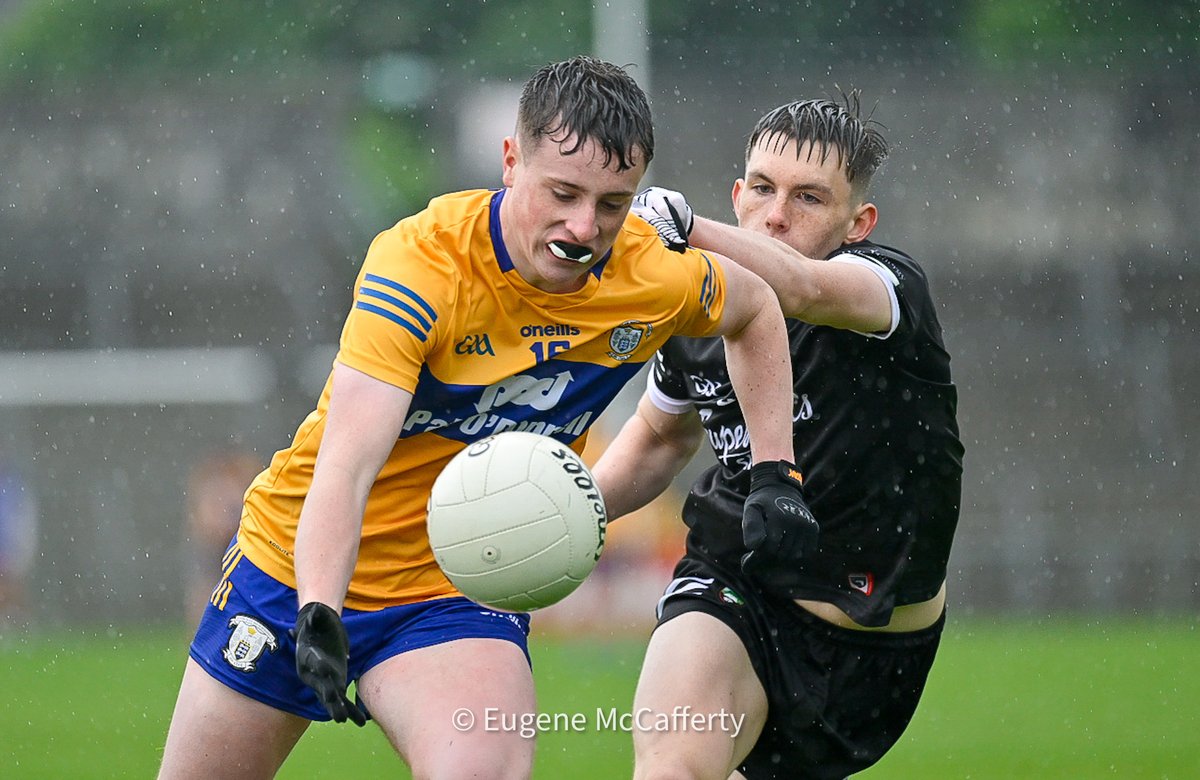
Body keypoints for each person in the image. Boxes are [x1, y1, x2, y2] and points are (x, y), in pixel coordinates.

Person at [157, 55, 805, 780]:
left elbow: (754, 308)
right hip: (293, 570)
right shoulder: (421, 267)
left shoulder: (650, 275)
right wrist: (317, 608)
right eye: (562, 193)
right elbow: (347, 463)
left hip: (456, 587)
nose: (584, 226)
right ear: (510, 162)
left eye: (613, 204)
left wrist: (776, 469)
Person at [593, 95, 965, 779]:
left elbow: (797, 287)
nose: (776, 215)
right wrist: (572, 514)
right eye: (762, 189)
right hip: (736, 586)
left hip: (875, 655)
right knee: (672, 767)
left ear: (859, 223)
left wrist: (680, 225)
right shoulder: (695, 303)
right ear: (738, 193)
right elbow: (657, 436)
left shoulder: (885, 289)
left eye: (809, 199)